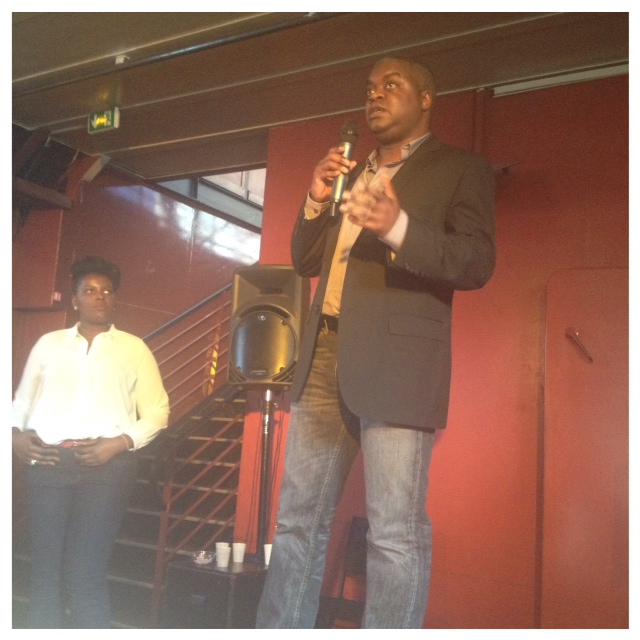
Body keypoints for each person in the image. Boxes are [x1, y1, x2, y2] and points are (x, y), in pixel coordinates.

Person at [256, 57, 496, 628]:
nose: (375, 96)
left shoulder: (460, 168)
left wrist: (397, 226)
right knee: (296, 523)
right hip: (323, 355)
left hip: (398, 364)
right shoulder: (352, 171)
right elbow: (305, 260)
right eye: (369, 88)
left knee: (394, 535)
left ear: (426, 97)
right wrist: (317, 197)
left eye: (391, 85)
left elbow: (475, 261)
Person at [12, 255, 170, 628]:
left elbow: (158, 411)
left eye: (107, 291)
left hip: (107, 470)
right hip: (48, 463)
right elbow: (20, 403)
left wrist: (120, 442)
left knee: (86, 573)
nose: (99, 297)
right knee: (45, 571)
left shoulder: (134, 348)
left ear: (114, 299)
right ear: (74, 300)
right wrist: (14, 438)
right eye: (90, 290)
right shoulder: (48, 344)